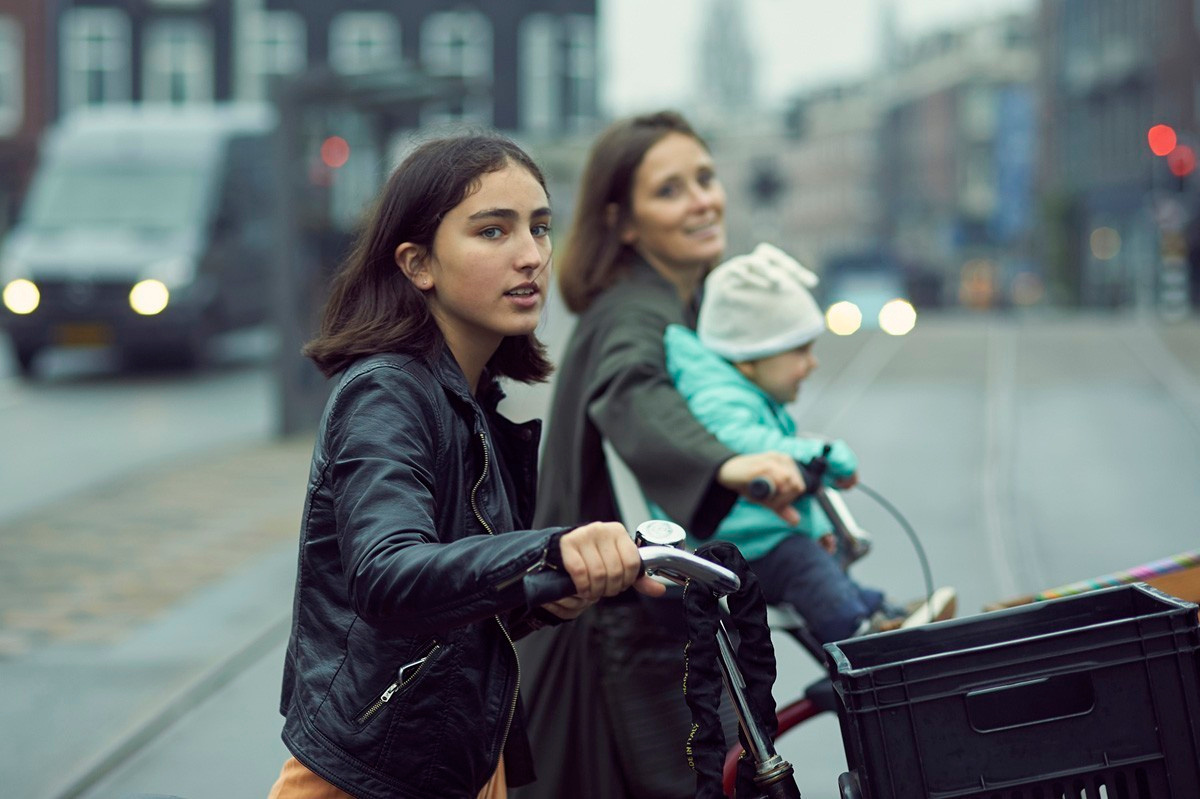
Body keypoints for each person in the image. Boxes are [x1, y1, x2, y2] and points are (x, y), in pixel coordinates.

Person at [268, 132, 665, 799]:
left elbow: (460, 612)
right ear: (418, 262)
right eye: (492, 231)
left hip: (461, 762)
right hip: (371, 777)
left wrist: (549, 591)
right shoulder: (386, 390)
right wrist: (548, 549)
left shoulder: (474, 401)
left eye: (539, 228)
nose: (531, 255)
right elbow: (387, 574)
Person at [512, 111, 807, 799]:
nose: (703, 199)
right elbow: (631, 391)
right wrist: (723, 464)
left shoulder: (677, 302)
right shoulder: (630, 313)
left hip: (637, 630)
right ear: (623, 222)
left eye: (705, 178)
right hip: (614, 645)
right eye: (670, 190)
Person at [664, 241, 958, 643]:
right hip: (733, 547)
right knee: (804, 567)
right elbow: (738, 441)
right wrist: (817, 454)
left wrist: (815, 522)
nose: (812, 363)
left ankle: (876, 610)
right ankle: (862, 637)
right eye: (800, 351)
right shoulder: (718, 397)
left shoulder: (738, 389)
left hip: (754, 535)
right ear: (749, 357)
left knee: (817, 565)